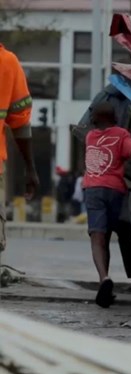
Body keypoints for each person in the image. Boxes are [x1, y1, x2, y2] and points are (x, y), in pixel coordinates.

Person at [82, 101, 131, 308]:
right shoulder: (121, 134)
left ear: (97, 118)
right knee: (114, 233)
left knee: (98, 237)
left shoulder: (90, 136)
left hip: (93, 189)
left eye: (92, 114)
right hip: (114, 190)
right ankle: (121, 278)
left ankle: (104, 278)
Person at [0, 43, 40, 274]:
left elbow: (20, 121)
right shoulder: (7, 62)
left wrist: (30, 168)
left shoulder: (8, 63)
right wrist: (30, 169)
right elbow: (21, 123)